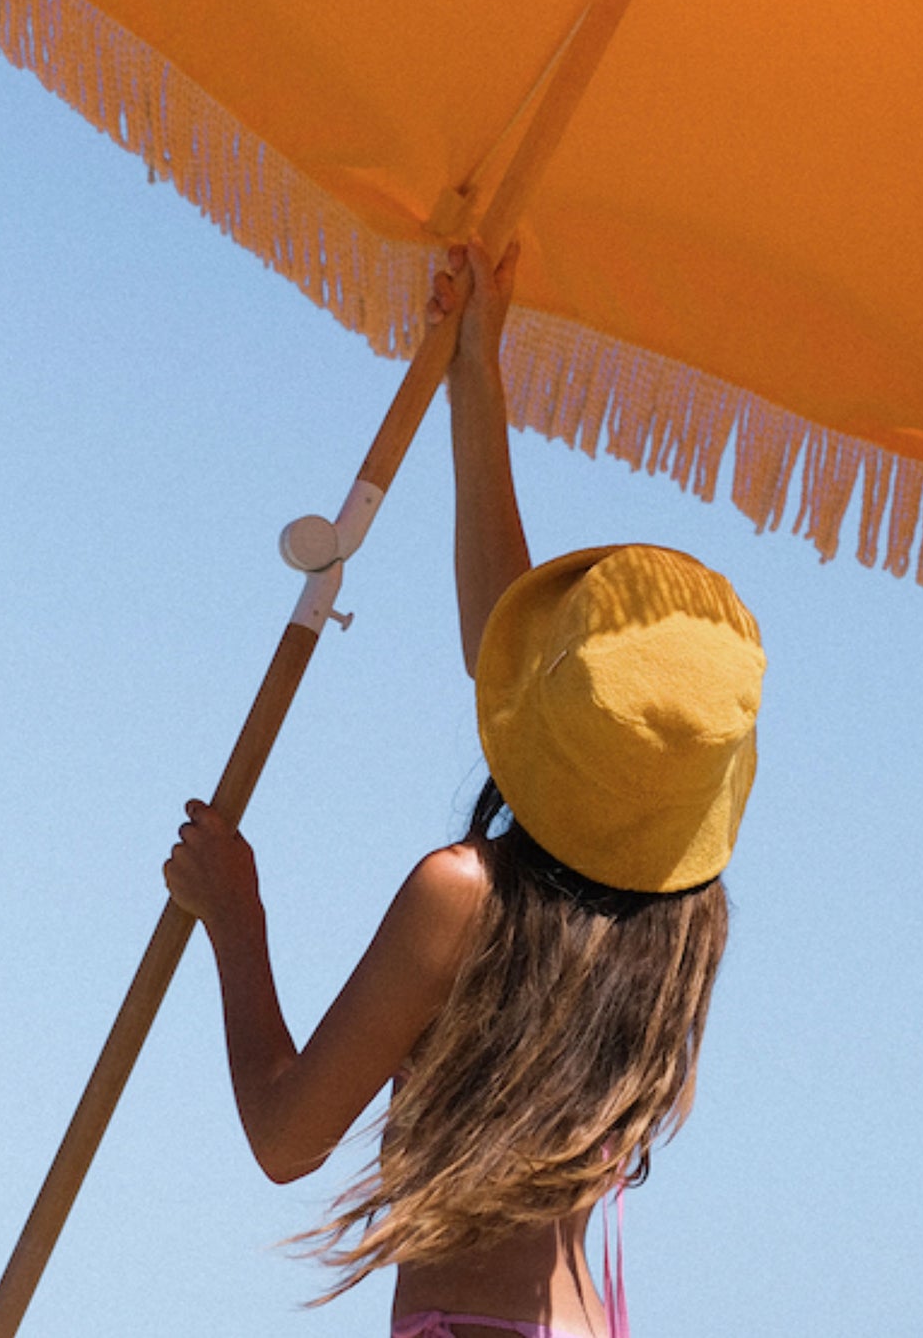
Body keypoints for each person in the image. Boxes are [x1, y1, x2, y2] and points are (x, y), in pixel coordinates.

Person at [164, 240, 765, 1338]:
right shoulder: (680, 922)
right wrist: (473, 371)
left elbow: (287, 1137)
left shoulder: (464, 895)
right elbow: (506, 655)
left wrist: (233, 919)